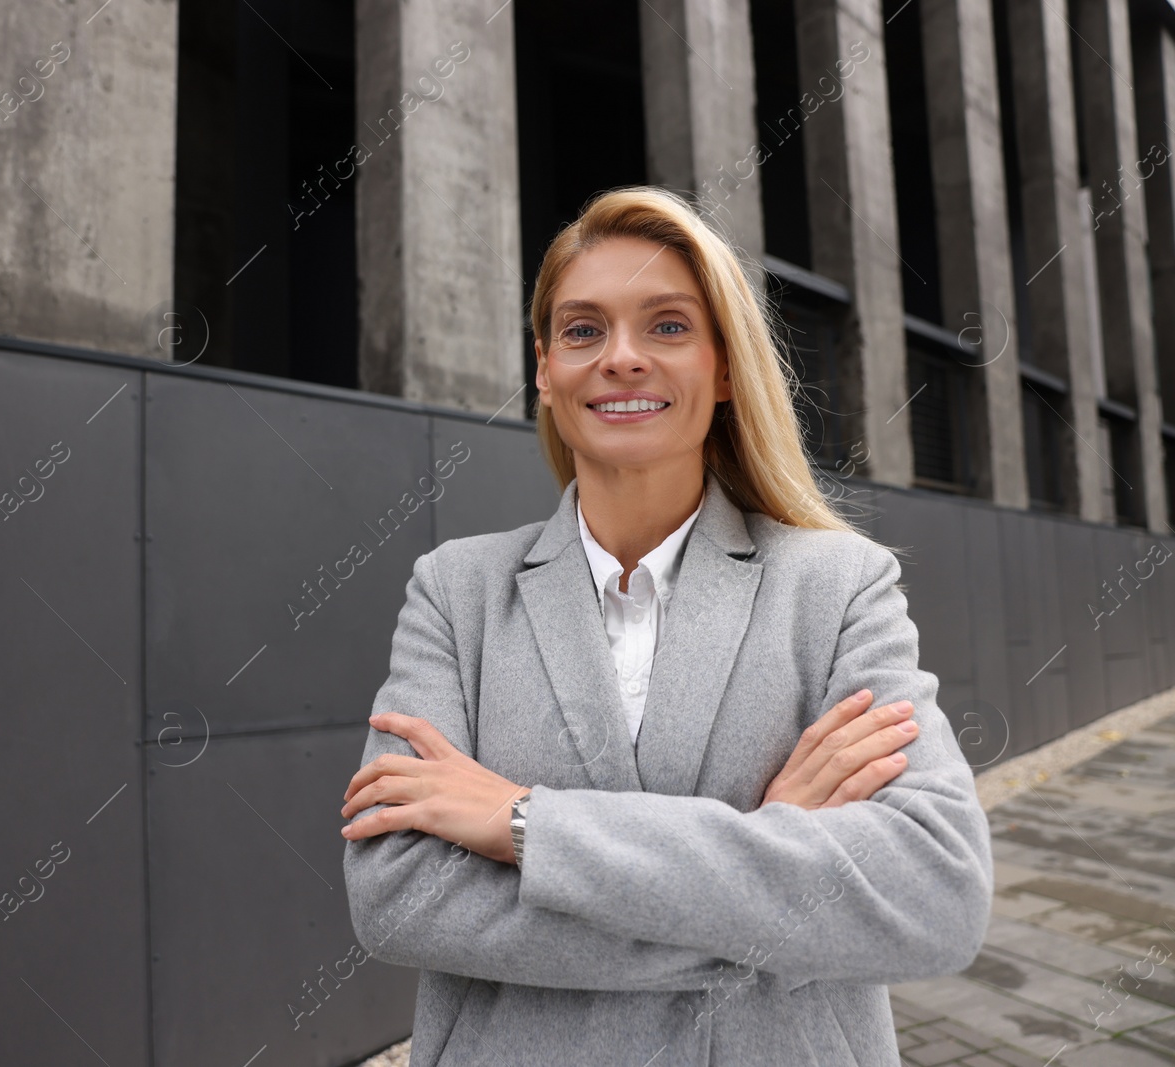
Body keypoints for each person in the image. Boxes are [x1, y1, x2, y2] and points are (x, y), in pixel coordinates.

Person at [339, 186, 992, 1066]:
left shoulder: (837, 585)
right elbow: (400, 895)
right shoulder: (457, 591)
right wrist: (772, 860)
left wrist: (527, 824)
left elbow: (934, 893)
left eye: (669, 326)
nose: (622, 358)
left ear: (724, 366)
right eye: (582, 330)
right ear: (544, 367)